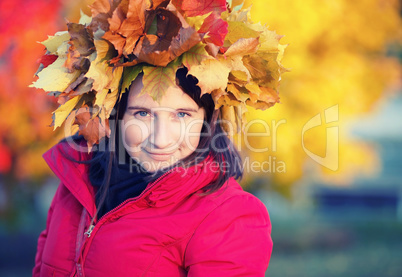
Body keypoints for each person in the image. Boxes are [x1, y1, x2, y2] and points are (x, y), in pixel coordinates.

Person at [32, 0, 286, 276]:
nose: (161, 139)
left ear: (207, 121)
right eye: (142, 114)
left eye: (182, 115)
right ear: (115, 115)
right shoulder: (77, 179)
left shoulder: (227, 216)